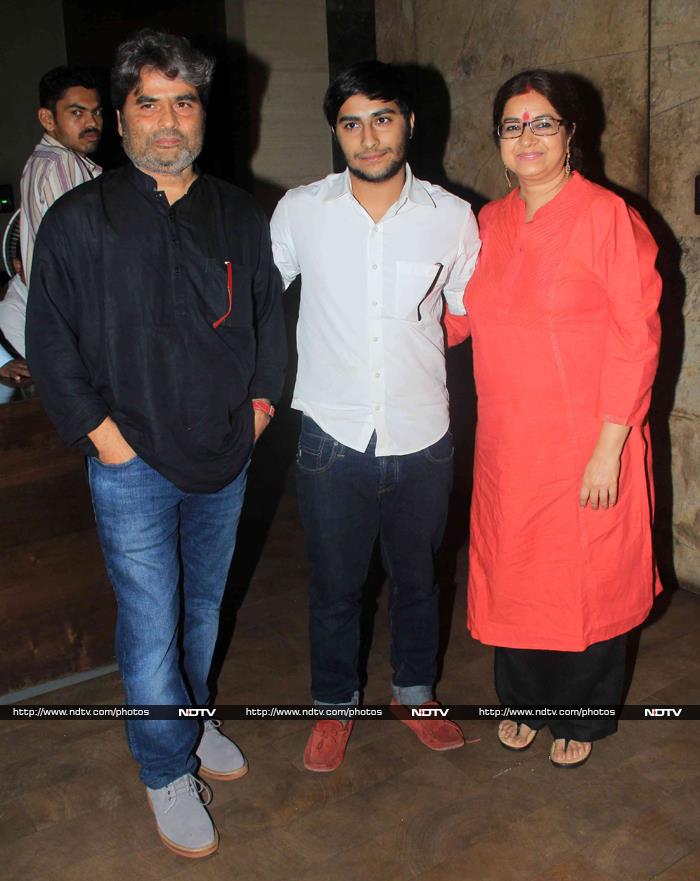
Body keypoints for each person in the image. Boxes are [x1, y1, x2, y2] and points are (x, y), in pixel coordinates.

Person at [26, 29, 286, 857]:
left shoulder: (240, 214)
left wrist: (259, 411)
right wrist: (105, 440)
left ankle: (193, 714)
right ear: (120, 115)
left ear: (204, 114)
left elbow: (271, 323)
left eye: (184, 101)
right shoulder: (79, 219)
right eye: (149, 103)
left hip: (223, 454)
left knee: (204, 610)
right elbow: (51, 340)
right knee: (150, 623)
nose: (168, 121)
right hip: (131, 464)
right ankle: (164, 764)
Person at [445, 69, 661, 768]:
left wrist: (610, 446)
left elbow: (638, 335)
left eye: (543, 123)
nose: (527, 137)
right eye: (513, 125)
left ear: (571, 134)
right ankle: (525, 702)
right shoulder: (489, 223)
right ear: (499, 142)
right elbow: (456, 315)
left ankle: (584, 715)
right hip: (510, 442)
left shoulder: (607, 218)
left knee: (585, 579)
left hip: (591, 438)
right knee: (516, 572)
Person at [271, 60, 480, 772]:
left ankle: (415, 691)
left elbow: (465, 314)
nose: (368, 137)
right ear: (337, 131)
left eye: (382, 118)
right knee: (335, 584)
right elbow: (263, 300)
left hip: (423, 433)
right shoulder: (301, 209)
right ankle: (335, 703)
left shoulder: (452, 217)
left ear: (409, 123)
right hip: (331, 434)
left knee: (420, 576)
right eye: (352, 122)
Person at [20, 65, 103, 280]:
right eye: (77, 113)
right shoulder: (61, 163)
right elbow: (81, 254)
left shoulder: (40, 160)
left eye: (97, 112)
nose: (92, 122)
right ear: (47, 119)